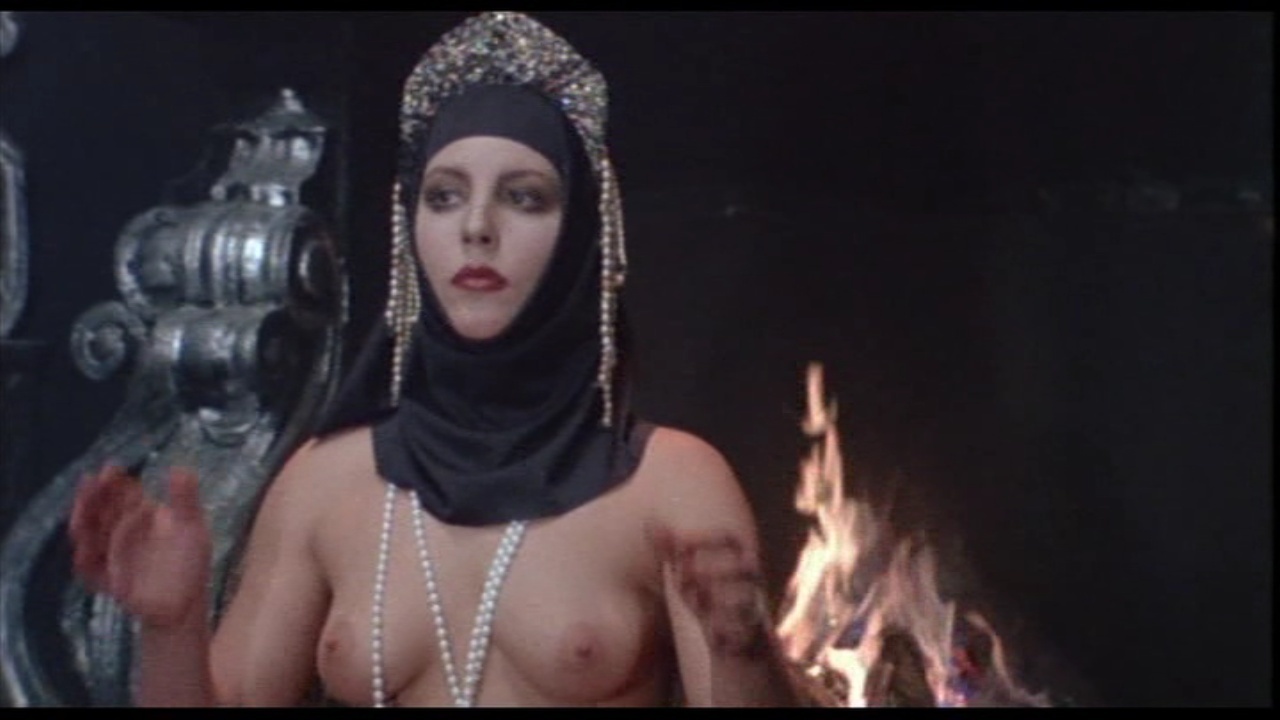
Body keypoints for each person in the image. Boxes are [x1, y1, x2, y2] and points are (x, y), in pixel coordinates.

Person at [67, 11, 799, 707]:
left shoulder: (669, 481)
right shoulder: (326, 482)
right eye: (444, 197)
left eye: (524, 198)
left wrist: (743, 653)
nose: (476, 228)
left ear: (580, 235)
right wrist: (171, 625)